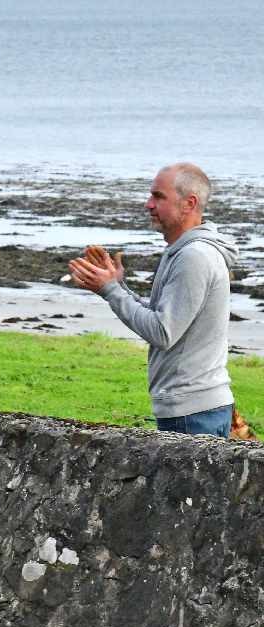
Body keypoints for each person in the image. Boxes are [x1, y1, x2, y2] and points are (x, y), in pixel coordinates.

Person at [68, 163, 238, 436]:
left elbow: (162, 332)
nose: (148, 204)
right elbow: (163, 318)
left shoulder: (194, 256)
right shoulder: (181, 251)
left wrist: (111, 290)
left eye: (158, 197)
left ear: (189, 203)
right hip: (193, 408)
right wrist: (116, 285)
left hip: (192, 412)